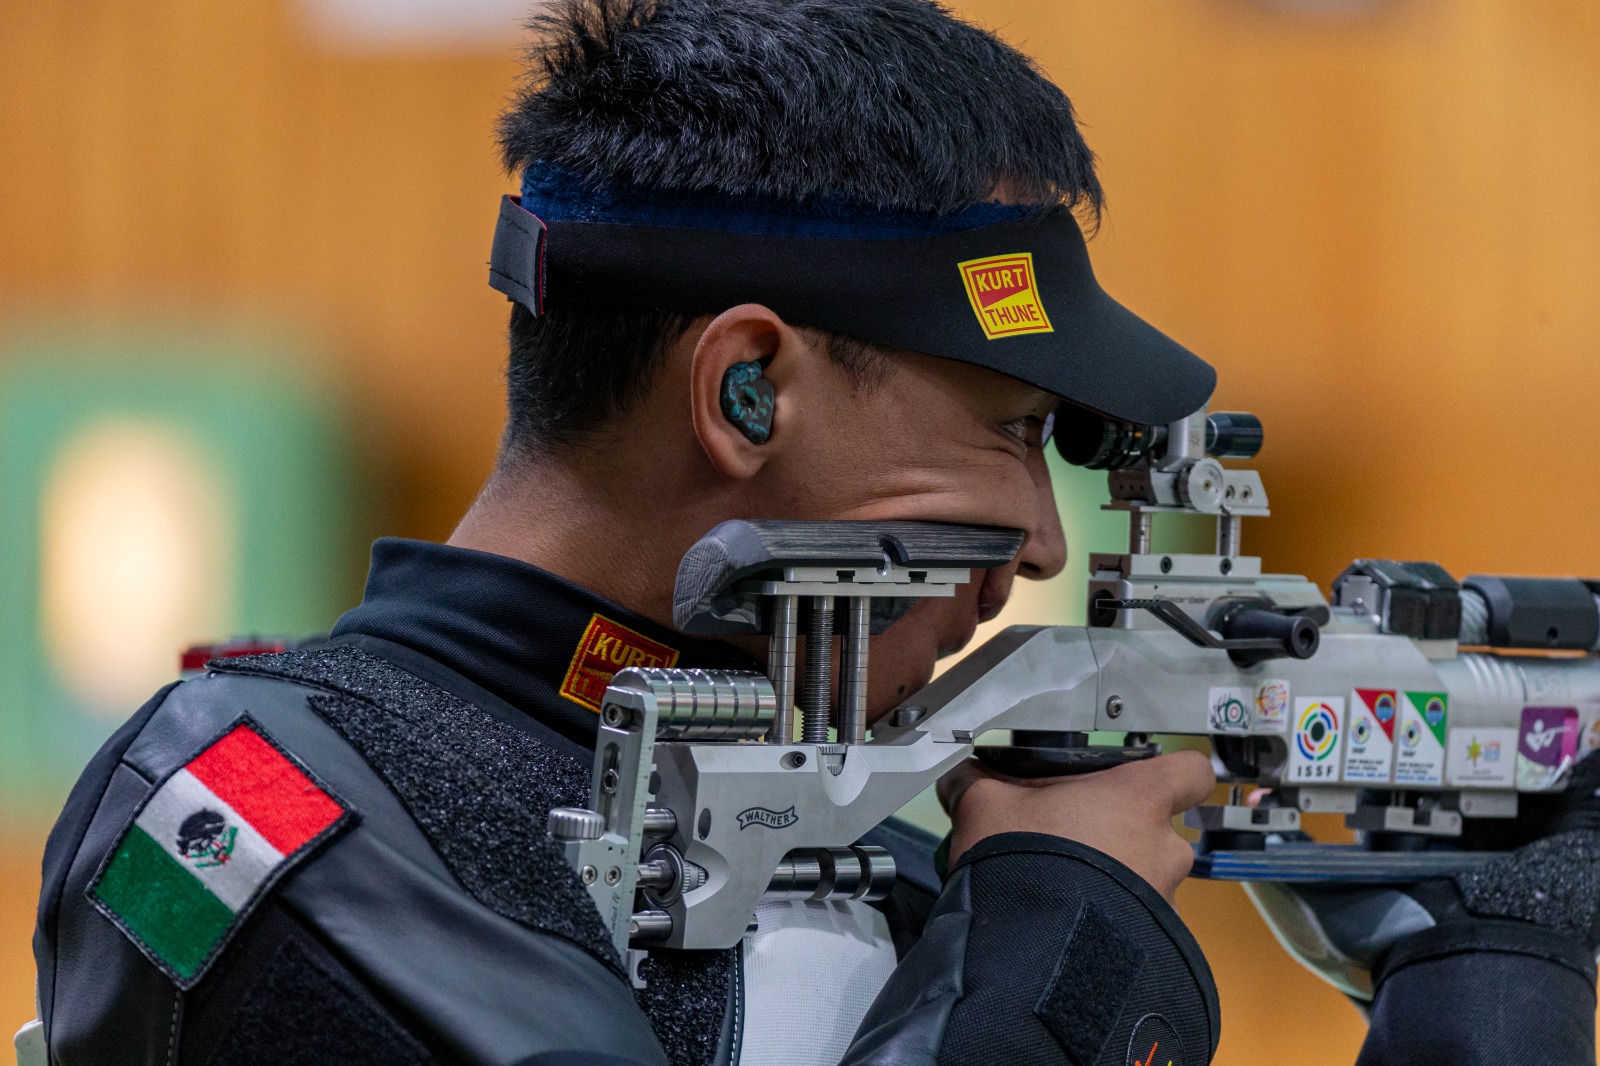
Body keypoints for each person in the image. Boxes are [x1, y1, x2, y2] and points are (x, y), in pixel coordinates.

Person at [29, 2, 1598, 1064]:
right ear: (750, 388)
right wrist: (1061, 927)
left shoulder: (839, 836)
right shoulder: (262, 818)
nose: (1037, 543)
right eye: (1011, 429)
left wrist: (1482, 973)